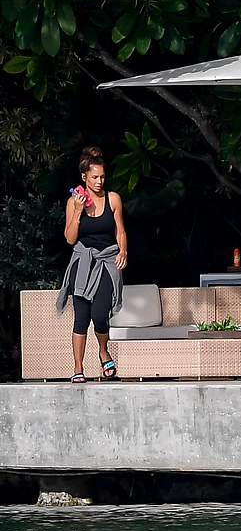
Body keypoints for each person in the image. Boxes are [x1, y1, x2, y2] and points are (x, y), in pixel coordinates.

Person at [56, 146, 128, 383]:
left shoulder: (113, 199)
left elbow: (120, 231)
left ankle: (103, 351)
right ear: (84, 177)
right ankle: (78, 367)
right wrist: (77, 211)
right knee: (81, 317)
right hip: (82, 260)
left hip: (107, 260)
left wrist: (123, 250)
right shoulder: (73, 202)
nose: (99, 181)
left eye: (102, 177)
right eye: (94, 177)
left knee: (99, 315)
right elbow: (69, 238)